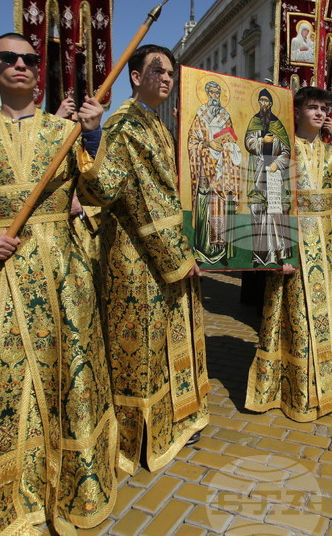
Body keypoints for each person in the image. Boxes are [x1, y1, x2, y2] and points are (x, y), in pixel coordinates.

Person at [0, 33, 117, 532]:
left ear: (38, 72)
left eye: (29, 59)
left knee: (69, 376)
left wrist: (93, 136)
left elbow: (104, 192)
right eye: (7, 58)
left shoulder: (66, 132)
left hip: (63, 278)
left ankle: (75, 484)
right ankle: (2, 494)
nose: (20, 65)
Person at [90, 44, 209, 473]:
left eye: (171, 74)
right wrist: (180, 255)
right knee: (141, 342)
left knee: (166, 338)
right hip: (136, 254)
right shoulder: (126, 125)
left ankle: (175, 415)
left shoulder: (155, 123)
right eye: (158, 71)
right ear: (135, 77)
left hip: (165, 250)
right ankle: (137, 436)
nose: (167, 79)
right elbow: (144, 199)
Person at [245, 86, 332, 422]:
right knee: (295, 316)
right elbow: (270, 199)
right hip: (294, 242)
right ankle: (295, 391)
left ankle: (328, 386)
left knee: (328, 314)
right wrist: (278, 249)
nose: (320, 113)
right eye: (313, 107)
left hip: (326, 244)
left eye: (324, 108)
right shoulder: (281, 150)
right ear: (296, 111)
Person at [187, 80, 241, 265]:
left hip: (222, 168)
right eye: (211, 93)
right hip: (205, 167)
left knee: (221, 209)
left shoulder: (225, 116)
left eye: (217, 93)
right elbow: (192, 140)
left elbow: (232, 140)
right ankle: (203, 250)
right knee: (205, 207)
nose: (214, 96)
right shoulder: (200, 114)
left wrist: (226, 146)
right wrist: (208, 144)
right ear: (207, 94)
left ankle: (221, 251)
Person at [245, 88, 293, 267]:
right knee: (257, 209)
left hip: (274, 176)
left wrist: (277, 163)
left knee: (274, 212)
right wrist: (260, 140)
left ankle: (277, 253)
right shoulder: (254, 121)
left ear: (271, 103)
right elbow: (248, 142)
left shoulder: (278, 124)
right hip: (258, 171)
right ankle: (259, 254)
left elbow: (286, 150)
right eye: (261, 101)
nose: (263, 104)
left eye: (266, 101)